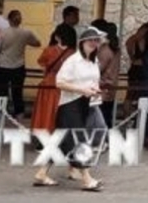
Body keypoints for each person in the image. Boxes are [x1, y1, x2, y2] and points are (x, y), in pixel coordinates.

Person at [32, 26, 106, 191]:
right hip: (69, 105)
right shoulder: (73, 60)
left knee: (60, 141)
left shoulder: (93, 61)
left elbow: (93, 81)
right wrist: (82, 90)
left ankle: (41, 173)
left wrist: (94, 90)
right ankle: (87, 179)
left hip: (86, 103)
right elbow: (60, 82)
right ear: (82, 42)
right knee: (78, 141)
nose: (94, 43)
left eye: (96, 40)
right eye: (91, 40)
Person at [0, 10, 41, 118]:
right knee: (17, 91)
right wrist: (26, 42)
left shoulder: (3, 33)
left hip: (3, 65)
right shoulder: (26, 33)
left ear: (9, 20)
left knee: (2, 91)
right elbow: (37, 43)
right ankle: (19, 112)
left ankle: (2, 111)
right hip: (19, 66)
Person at [31, 25, 76, 134]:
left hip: (49, 84)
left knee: (45, 113)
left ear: (57, 37)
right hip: (66, 85)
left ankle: (43, 137)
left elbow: (42, 65)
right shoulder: (74, 53)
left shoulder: (49, 50)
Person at [89, 19, 119, 127]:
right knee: (106, 118)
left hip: (101, 90)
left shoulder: (105, 50)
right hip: (109, 89)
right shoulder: (114, 48)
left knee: (99, 120)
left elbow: (97, 70)